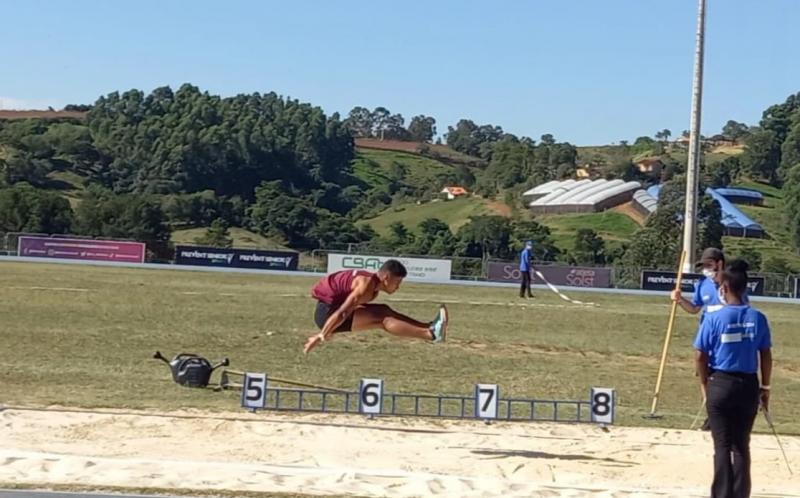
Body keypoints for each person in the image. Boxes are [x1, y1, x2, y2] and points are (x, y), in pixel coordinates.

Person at [693, 260, 772, 498]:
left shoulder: (714, 318)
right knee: (741, 446)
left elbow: (699, 355)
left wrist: (704, 383)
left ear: (724, 288)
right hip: (748, 384)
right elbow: (766, 354)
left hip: (721, 383)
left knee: (722, 446)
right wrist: (765, 386)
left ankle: (721, 494)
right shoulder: (758, 318)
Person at [672, 247, 749, 430]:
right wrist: (679, 299)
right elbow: (694, 309)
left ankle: (728, 416)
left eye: (708, 265)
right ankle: (711, 414)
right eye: (703, 266)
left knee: (724, 378)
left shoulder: (732, 283)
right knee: (705, 376)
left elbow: (743, 308)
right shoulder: (702, 284)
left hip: (728, 340)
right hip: (707, 340)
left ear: (719, 263)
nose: (705, 269)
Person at [303, 259, 448, 354]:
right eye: (397, 282)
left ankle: (428, 326)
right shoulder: (366, 286)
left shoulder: (372, 286)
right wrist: (322, 334)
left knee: (384, 310)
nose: (398, 287)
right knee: (382, 318)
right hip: (327, 314)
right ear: (386, 278)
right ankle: (431, 335)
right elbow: (343, 312)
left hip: (330, 310)